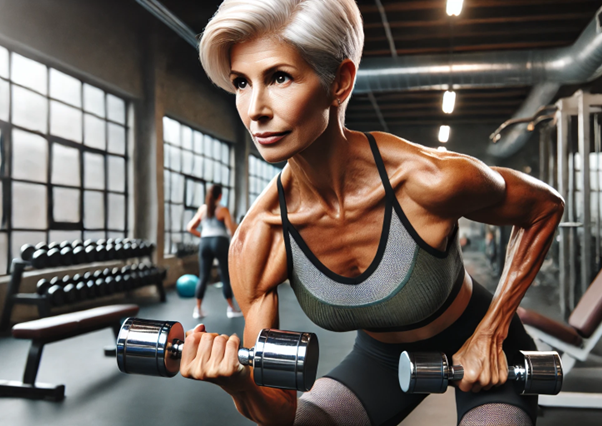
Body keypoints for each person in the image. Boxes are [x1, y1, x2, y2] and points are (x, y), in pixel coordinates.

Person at [179, 1, 564, 424]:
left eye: (279, 77)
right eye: (241, 83)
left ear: (340, 83)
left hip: (482, 345)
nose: (255, 110)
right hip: (379, 359)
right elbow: (279, 413)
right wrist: (237, 382)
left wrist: (492, 332)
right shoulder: (261, 237)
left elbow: (544, 208)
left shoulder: (427, 180)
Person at [186, 184, 242, 319]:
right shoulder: (223, 210)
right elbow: (232, 231)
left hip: (205, 242)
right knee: (224, 275)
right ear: (220, 196)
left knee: (203, 276)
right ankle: (231, 309)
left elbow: (190, 227)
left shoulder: (202, 209)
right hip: (220, 242)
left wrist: (204, 236)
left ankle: (197, 310)